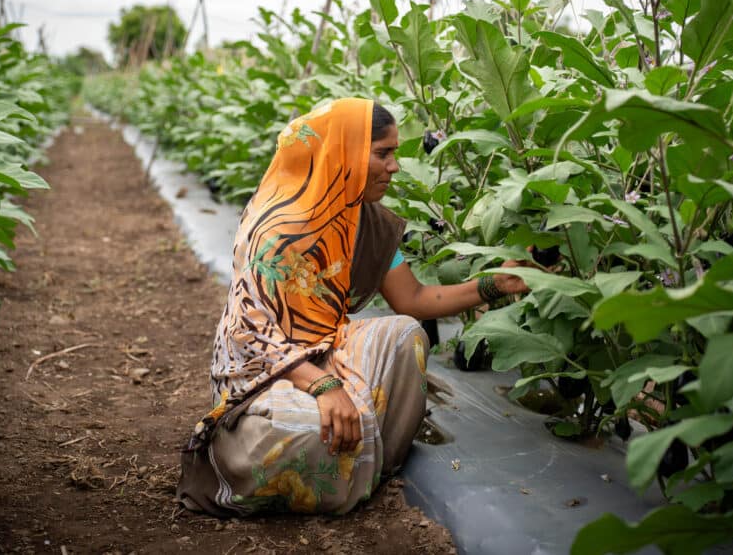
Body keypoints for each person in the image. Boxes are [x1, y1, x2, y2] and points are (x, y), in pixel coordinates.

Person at [177, 97, 532, 516]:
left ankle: (365, 462)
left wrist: (494, 284)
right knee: (297, 430)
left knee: (404, 335)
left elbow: (414, 299)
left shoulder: (362, 217)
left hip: (326, 351)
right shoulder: (277, 225)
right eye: (383, 153)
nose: (395, 166)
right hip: (264, 377)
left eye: (395, 153)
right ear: (343, 152)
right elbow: (247, 331)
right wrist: (323, 386)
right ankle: (276, 455)